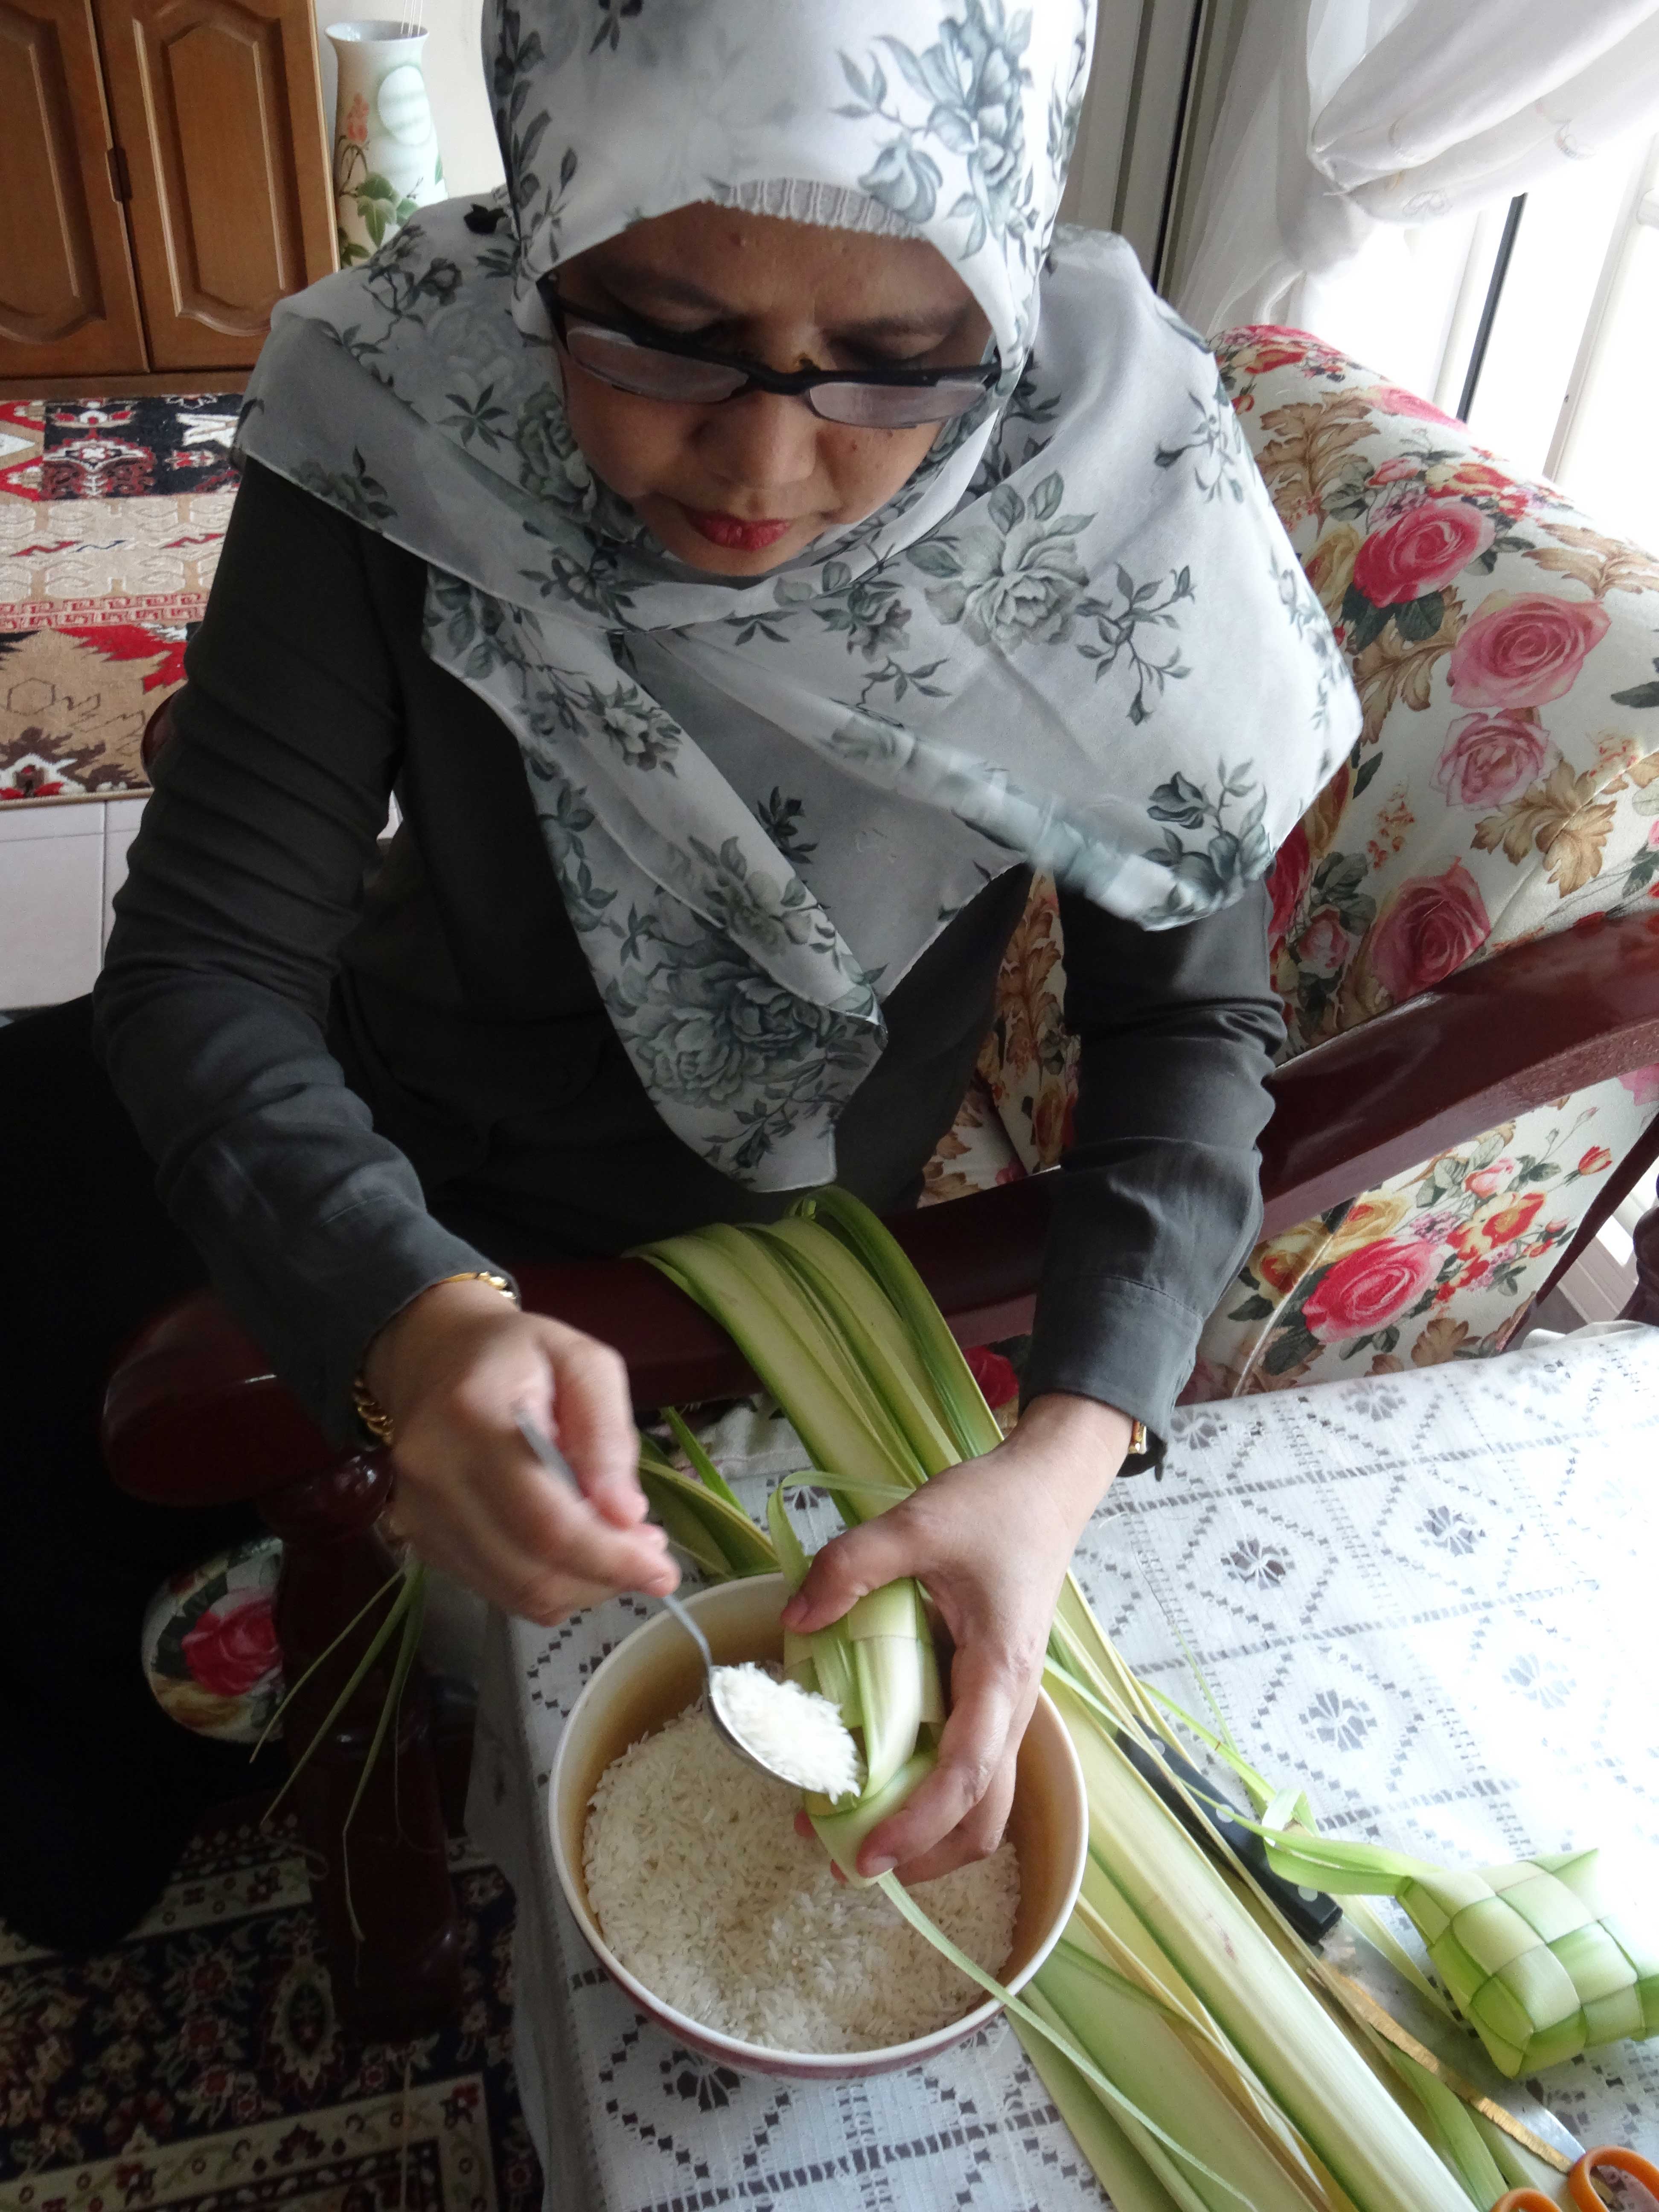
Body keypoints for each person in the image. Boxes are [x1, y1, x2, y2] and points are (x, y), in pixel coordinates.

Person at [0, 0, 1356, 1954]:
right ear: (545, 226)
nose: (768, 464)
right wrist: (410, 1318)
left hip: (731, 1229)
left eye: (899, 369)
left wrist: (1061, 1465)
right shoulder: (401, 400)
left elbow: (1194, 1027)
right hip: (383, 1078)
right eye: (658, 333)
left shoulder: (1118, 501)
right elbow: (210, 967)